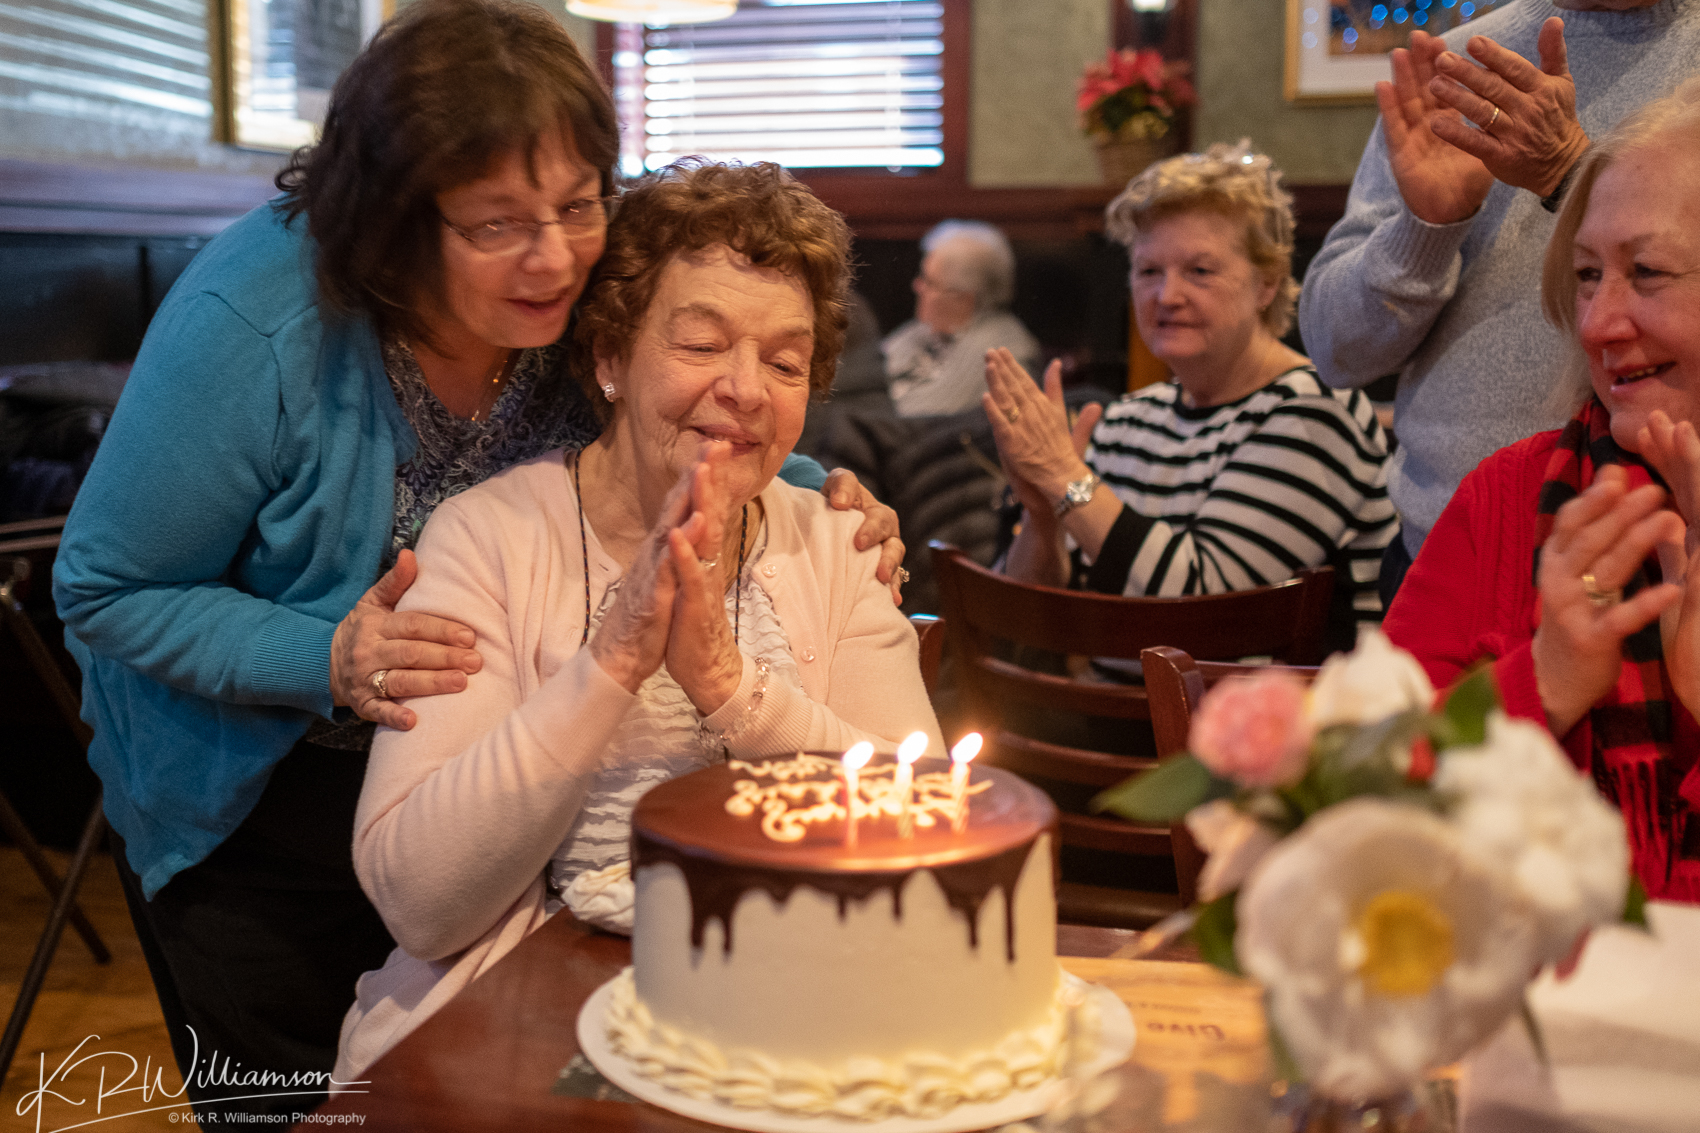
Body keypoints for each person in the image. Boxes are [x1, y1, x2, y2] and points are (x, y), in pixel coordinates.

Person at [49, 0, 900, 1116]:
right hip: (251, 796)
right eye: (497, 223)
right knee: (315, 1102)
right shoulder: (258, 324)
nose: (554, 257)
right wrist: (330, 656)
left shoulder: (566, 278)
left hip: (469, 787)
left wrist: (814, 498)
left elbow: (669, 403)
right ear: (396, 224)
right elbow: (105, 583)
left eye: (577, 202)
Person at [333, 161, 944, 1079]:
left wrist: (731, 691)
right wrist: (614, 657)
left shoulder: (836, 541)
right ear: (610, 356)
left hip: (805, 1011)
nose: (745, 389)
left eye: (783, 362)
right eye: (701, 344)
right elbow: (422, 904)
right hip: (534, 1031)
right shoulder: (486, 539)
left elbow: (934, 835)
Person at [1384, 80, 1700, 904]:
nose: (1597, 323)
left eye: (1650, 272)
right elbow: (1365, 797)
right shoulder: (1509, 494)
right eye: (1589, 275)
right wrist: (1548, 678)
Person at [1300, 2, 1700, 602]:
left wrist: (1572, 175)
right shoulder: (1459, 65)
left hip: (1661, 572)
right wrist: (1425, 230)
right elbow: (1336, 351)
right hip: (1440, 561)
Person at [985, 142, 1398, 656]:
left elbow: (1205, 613)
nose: (1167, 296)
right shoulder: (1125, 420)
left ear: (1267, 283)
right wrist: (1043, 519)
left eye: (1199, 271)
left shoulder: (1317, 413)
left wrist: (1064, 479)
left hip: (1275, 732)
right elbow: (1017, 622)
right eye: (1148, 271)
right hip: (1109, 728)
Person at [883, 220, 1040, 418]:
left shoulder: (998, 352)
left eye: (929, 282)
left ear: (963, 299)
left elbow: (914, 421)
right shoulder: (922, 330)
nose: (917, 286)